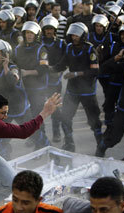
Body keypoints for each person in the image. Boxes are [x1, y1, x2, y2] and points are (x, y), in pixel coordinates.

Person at [53, 22, 102, 152]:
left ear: (83, 35)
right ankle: (69, 144)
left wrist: (75, 74)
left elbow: (95, 72)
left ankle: (101, 147)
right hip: (72, 91)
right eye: (72, 34)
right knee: (65, 118)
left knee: (94, 121)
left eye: (77, 35)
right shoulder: (69, 47)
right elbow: (62, 64)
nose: (74, 37)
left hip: (87, 92)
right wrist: (48, 69)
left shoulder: (90, 49)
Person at [13, 21, 51, 150]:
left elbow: (44, 68)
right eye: (27, 33)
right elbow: (14, 64)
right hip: (23, 88)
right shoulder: (18, 49)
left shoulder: (41, 49)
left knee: (37, 115)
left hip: (38, 89)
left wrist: (26, 73)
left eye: (32, 33)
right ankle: (34, 138)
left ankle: (42, 144)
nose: (29, 36)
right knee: (27, 117)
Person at [40, 16, 66, 143]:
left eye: (51, 29)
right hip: (40, 80)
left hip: (55, 81)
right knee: (39, 108)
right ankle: (39, 135)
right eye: (46, 29)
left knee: (54, 107)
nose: (49, 31)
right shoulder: (39, 43)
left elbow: (65, 60)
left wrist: (58, 70)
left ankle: (57, 133)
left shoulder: (61, 43)